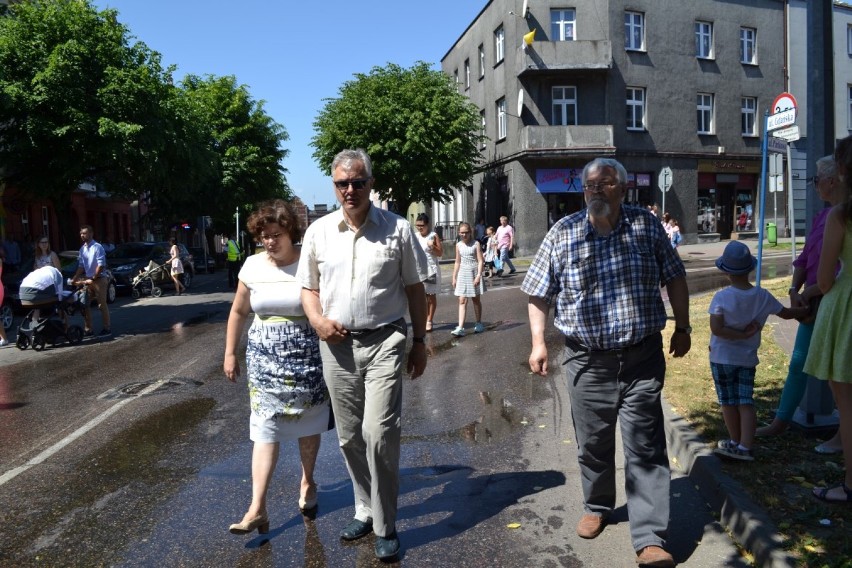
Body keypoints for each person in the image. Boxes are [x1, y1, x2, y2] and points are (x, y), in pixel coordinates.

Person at [523, 157, 691, 568]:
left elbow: (675, 276)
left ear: (623, 188)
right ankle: (597, 505)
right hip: (586, 361)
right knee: (593, 444)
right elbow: (537, 293)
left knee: (645, 447)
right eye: (590, 186)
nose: (596, 191)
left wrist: (683, 326)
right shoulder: (563, 234)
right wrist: (538, 343)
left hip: (641, 357)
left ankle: (650, 536)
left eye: (605, 184)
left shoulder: (646, 226)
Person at [297, 148, 429, 561]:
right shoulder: (318, 232)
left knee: (379, 432)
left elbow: (415, 288)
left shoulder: (398, 229)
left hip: (386, 340)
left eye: (357, 181)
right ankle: (366, 508)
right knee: (350, 436)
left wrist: (421, 341)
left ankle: (386, 525)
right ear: (333, 186)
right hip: (335, 346)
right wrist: (317, 321)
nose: (350, 189)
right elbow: (308, 288)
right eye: (342, 183)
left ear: (371, 183)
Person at [224, 199, 333, 535]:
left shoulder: (309, 263)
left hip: (307, 358)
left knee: (308, 423)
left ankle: (308, 481)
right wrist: (230, 353)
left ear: (290, 232)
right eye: (264, 236)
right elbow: (239, 311)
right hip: (263, 361)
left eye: (276, 234)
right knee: (264, 428)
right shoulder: (252, 266)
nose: (269, 241)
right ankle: (257, 507)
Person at [756, 155, 848, 454]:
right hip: (815, 298)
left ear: (832, 180)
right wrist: (794, 288)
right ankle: (782, 421)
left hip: (832, 300)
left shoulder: (842, 217)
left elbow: (837, 269)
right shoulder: (824, 217)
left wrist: (807, 294)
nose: (814, 185)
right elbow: (806, 256)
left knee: (839, 371)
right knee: (801, 363)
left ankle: (840, 436)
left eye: (816, 180)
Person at [709, 241, 808, 462]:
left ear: (725, 271)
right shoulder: (763, 296)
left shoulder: (721, 298)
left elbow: (716, 328)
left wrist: (740, 334)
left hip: (721, 357)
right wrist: (804, 309)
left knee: (728, 401)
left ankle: (734, 441)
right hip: (746, 359)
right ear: (750, 269)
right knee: (746, 401)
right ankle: (746, 446)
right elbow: (786, 313)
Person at [805, 135, 852, 503]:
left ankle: (850, 486)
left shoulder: (841, 215)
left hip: (846, 308)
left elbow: (822, 279)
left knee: (847, 408)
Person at [71, 225, 111, 337]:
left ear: (91, 234)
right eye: (81, 234)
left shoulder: (98, 247)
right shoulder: (82, 249)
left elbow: (101, 265)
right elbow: (81, 266)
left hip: (99, 279)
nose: (82, 235)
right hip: (87, 280)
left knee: (101, 305)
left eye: (84, 233)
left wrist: (94, 277)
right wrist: (75, 278)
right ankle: (88, 329)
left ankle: (107, 328)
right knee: (84, 304)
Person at [450, 222, 485, 337]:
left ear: (470, 232)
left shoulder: (476, 244)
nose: (464, 235)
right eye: (462, 233)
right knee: (462, 300)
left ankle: (478, 323)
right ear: (459, 233)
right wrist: (454, 276)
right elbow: (457, 261)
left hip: (474, 272)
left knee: (475, 299)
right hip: (462, 273)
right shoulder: (458, 245)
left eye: (466, 232)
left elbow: (480, 260)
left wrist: (479, 275)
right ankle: (460, 327)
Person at [415, 213, 443, 332]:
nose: (420, 228)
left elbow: (440, 253)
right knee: (420, 297)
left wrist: (432, 247)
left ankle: (429, 320)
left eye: (422, 225)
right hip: (418, 270)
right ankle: (422, 318)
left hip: (431, 269)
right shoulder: (415, 236)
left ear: (427, 225)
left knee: (430, 296)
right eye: (417, 225)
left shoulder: (433, 236)